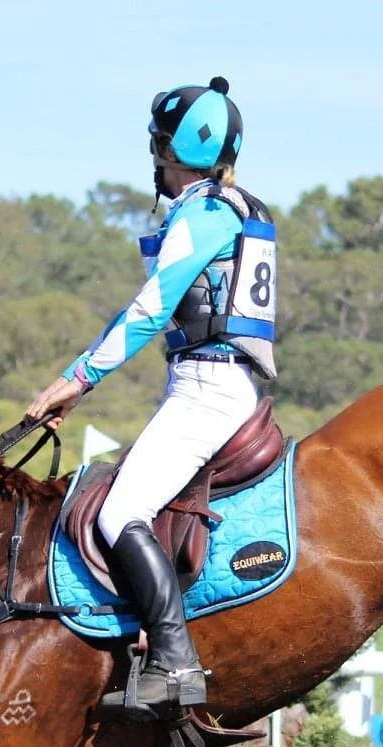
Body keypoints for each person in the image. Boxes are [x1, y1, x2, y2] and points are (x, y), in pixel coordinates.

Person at [27, 76, 277, 711]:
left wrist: (75, 379)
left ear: (169, 150)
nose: (155, 162)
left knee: (118, 514)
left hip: (208, 389)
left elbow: (149, 310)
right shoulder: (238, 207)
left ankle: (175, 664)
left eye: (157, 148)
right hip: (214, 383)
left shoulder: (205, 215)